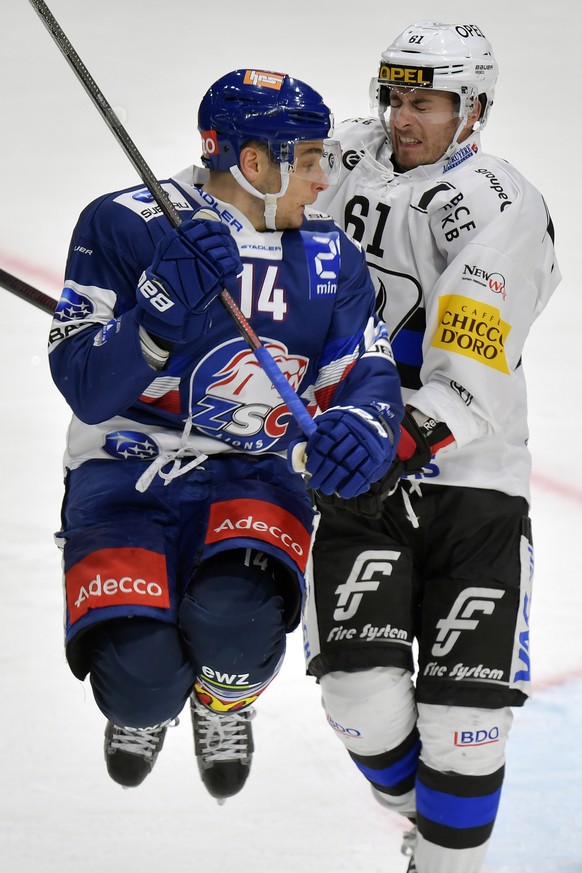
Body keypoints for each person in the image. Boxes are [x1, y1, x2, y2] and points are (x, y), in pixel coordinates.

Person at [48, 67, 403, 801]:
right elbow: (85, 386)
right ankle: (149, 703)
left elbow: (362, 373)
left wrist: (363, 426)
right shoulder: (125, 226)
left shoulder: (332, 259)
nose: (321, 177)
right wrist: (152, 317)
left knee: (235, 633)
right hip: (124, 469)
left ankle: (222, 700)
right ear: (252, 163)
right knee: (140, 682)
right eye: (306, 159)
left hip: (255, 472)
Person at [303, 21, 561, 873]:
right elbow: (245, 199)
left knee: (465, 722)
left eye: (426, 102)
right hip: (355, 469)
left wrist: (405, 429)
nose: (403, 118)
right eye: (396, 98)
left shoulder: (500, 201)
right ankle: (434, 824)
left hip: (471, 482)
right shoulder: (337, 159)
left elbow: (473, 349)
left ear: (472, 109)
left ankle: (450, 859)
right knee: (359, 701)